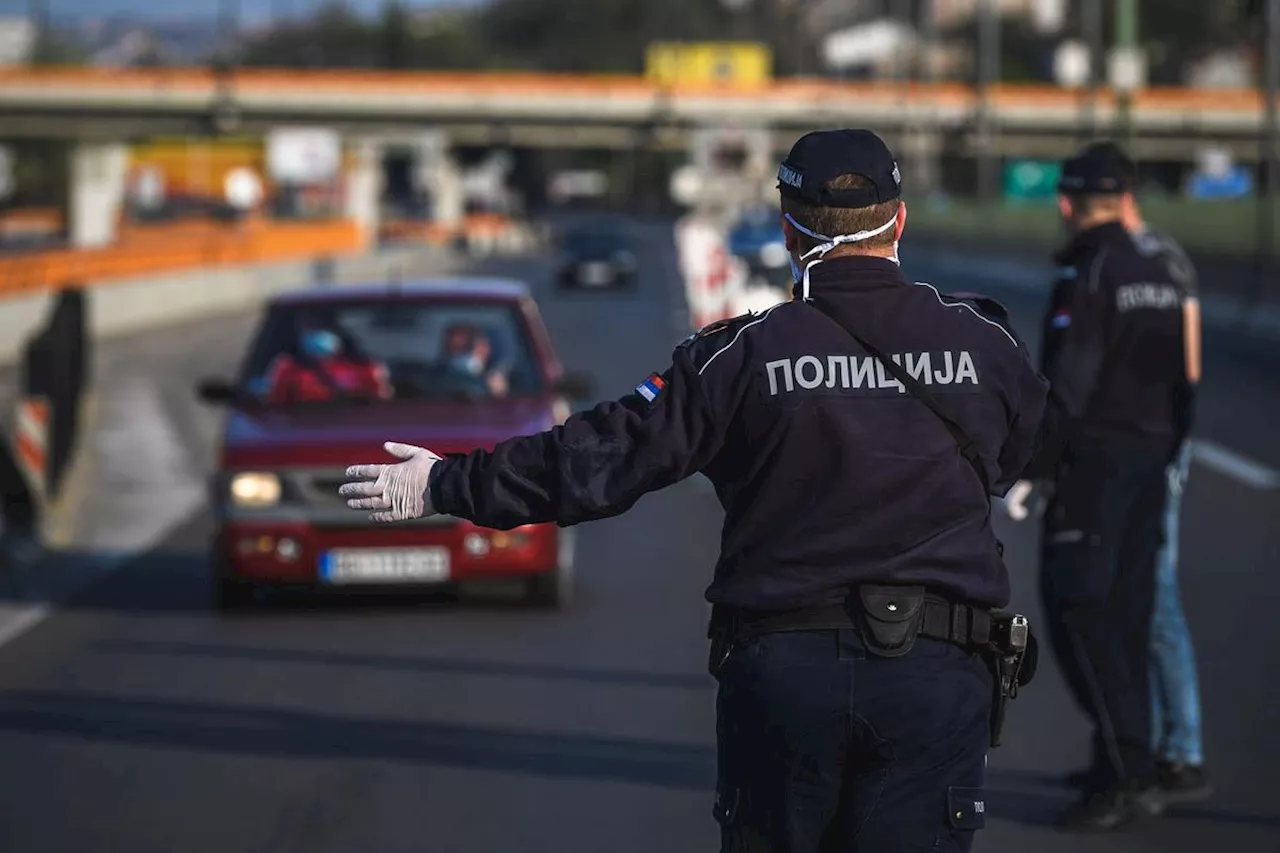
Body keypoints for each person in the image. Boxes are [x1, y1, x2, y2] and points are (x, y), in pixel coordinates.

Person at [340, 128, 1048, 852]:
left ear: (789, 229)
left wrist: (445, 481)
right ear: (900, 220)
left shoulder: (738, 355)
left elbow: (601, 459)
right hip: (935, 676)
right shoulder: (987, 343)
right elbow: (1024, 452)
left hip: (785, 676)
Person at [1007, 145, 1194, 830]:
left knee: (1081, 616)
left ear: (1069, 202)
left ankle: (1127, 773)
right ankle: (1118, 755)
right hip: (1149, 465)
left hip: (1095, 468)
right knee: (1129, 615)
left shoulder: (1088, 275)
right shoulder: (1159, 272)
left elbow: (1069, 388)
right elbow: (1184, 384)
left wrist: (1032, 467)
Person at [1079, 141, 1211, 804]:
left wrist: (1168, 443)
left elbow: (1188, 365)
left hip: (1148, 443)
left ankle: (1179, 748)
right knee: (1117, 596)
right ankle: (1125, 743)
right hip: (1133, 440)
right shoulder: (1139, 258)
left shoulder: (1152, 259)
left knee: (1149, 595)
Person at [262, 319, 391, 404]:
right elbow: (277, 403)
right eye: (311, 328)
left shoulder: (364, 367)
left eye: (321, 327)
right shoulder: (289, 368)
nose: (317, 334)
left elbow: (380, 401)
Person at [439, 323, 509, 398]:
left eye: (468, 347)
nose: (466, 354)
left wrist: (499, 391)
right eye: (459, 349)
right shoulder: (433, 379)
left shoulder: (496, 378)